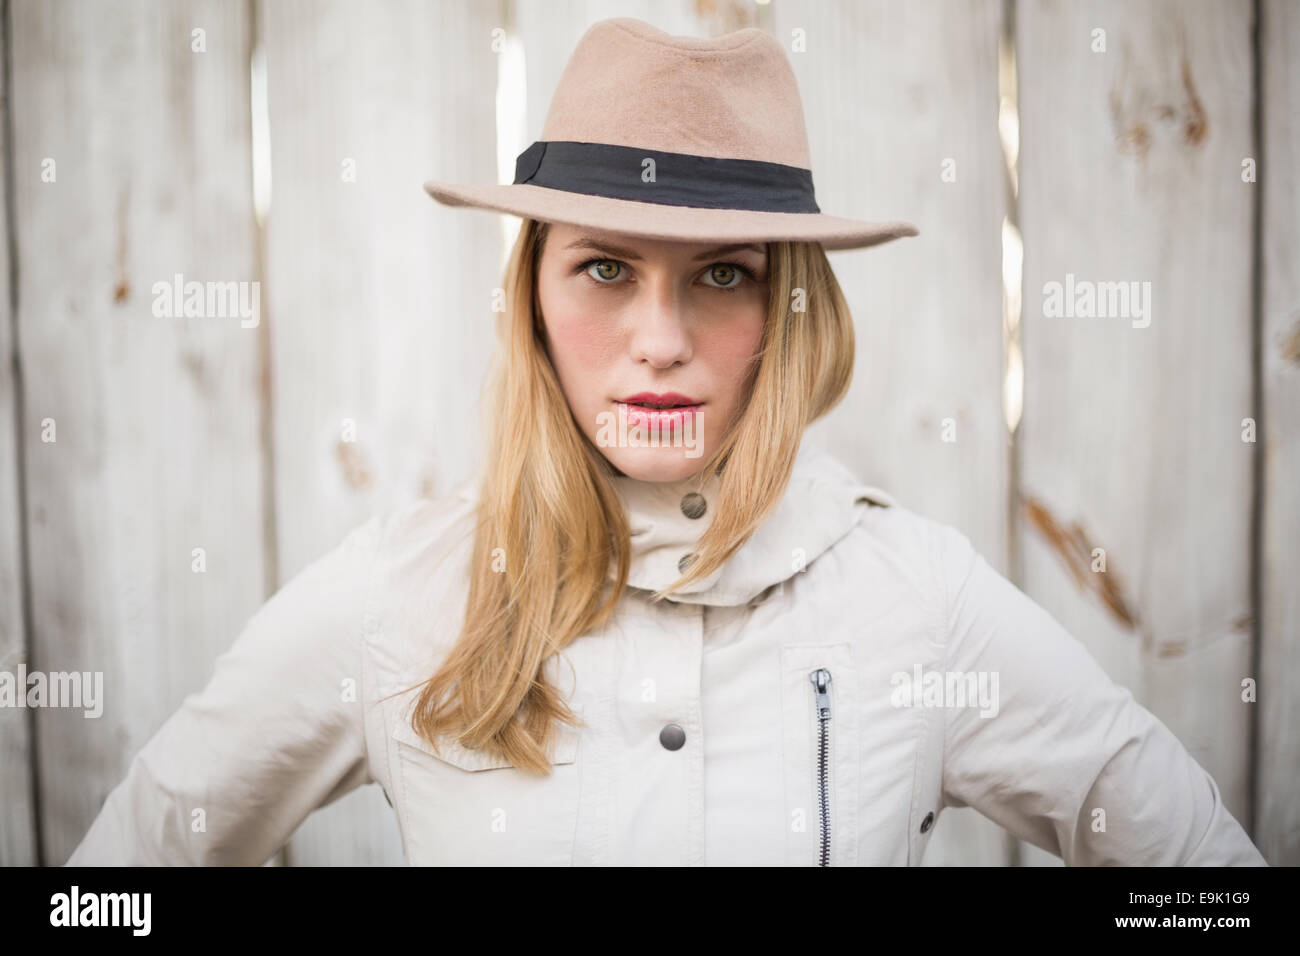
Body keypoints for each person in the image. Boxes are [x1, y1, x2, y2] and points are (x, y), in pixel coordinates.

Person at [68, 17, 1266, 867]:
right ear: (531, 294)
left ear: (788, 309)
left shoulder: (916, 600)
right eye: (602, 266)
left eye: (723, 275)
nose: (659, 340)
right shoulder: (404, 595)